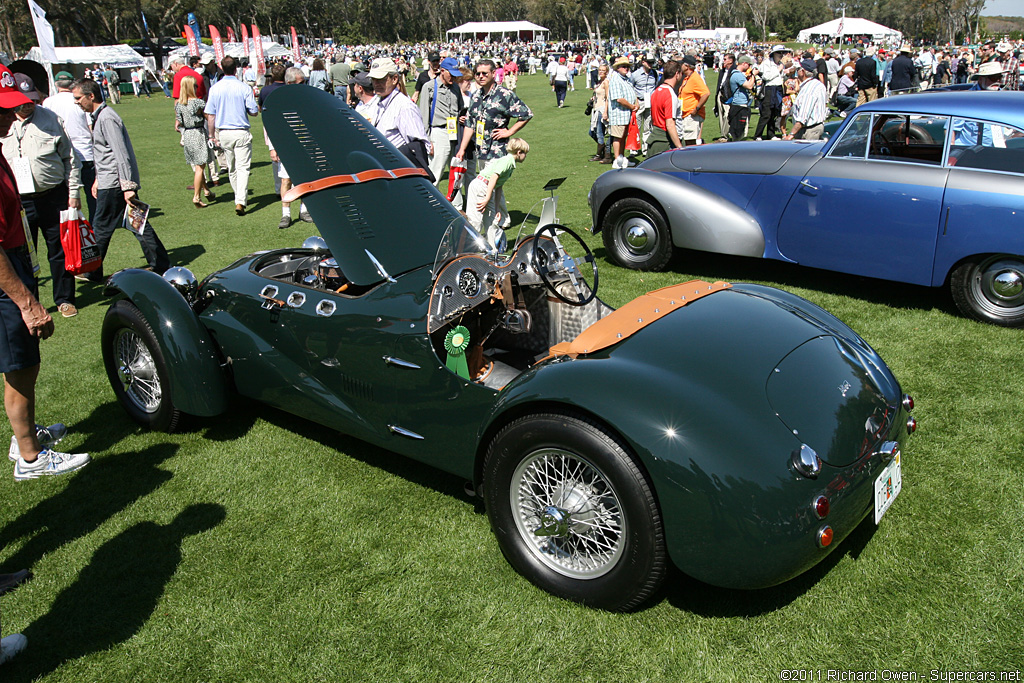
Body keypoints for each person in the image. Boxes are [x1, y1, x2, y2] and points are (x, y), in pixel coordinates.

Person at [0, 65, 90, 486]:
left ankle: (25, 439)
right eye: (2, 110)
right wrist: (26, 301)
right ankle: (31, 457)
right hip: (7, 272)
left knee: (24, 362)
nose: (8, 117)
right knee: (20, 363)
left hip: (18, 257)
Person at [70, 78, 171, 279]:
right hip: (111, 182)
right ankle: (161, 263)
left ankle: (93, 270)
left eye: (78, 98)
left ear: (91, 96)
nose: (77, 102)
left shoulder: (107, 118)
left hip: (115, 185)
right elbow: (105, 154)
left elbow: (121, 153)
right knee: (137, 224)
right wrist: (99, 178)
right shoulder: (101, 116)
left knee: (101, 228)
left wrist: (127, 186)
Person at [1, 73, 80, 318]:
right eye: (20, 102)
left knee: (59, 249)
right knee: (24, 252)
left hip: (53, 195)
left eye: (30, 99)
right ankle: (30, 301)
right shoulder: (4, 121)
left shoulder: (51, 119)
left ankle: (64, 299)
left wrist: (74, 191)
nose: (26, 105)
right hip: (19, 200)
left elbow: (70, 159)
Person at [454, 60, 533, 174]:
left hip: (497, 150)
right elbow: (469, 124)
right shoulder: (475, 96)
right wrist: (462, 149)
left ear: (493, 73)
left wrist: (509, 132)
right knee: (487, 186)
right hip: (480, 150)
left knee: (492, 186)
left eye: (485, 73)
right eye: (478, 74)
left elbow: (526, 114)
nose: (481, 76)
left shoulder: (504, 94)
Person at [205, 56, 258, 216]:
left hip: (224, 132)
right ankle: (240, 200)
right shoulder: (243, 88)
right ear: (236, 69)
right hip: (240, 130)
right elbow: (254, 111)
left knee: (232, 167)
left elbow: (211, 115)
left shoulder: (215, 88)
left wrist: (211, 135)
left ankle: (239, 197)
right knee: (242, 167)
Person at [42, 71, 96, 220]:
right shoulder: (78, 98)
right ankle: (95, 224)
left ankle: (70, 223)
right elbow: (91, 125)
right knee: (92, 194)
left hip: (62, 155)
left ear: (56, 84)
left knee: (66, 196)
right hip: (85, 152)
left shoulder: (48, 102)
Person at [265, 68, 312, 228]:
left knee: (305, 180)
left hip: (305, 146)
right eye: (301, 82)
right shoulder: (279, 101)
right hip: (287, 146)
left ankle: (304, 210)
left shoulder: (306, 99)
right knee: (286, 180)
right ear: (290, 83)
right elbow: (273, 126)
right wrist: (273, 147)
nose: (304, 85)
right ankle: (286, 214)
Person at [367, 58, 431, 176]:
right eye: (373, 79)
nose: (376, 83)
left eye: (380, 79)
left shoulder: (404, 107)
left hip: (399, 172)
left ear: (394, 79)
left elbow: (420, 147)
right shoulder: (378, 103)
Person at [466, 137, 529, 252]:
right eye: (525, 153)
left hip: (487, 188)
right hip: (481, 186)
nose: (526, 156)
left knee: (492, 220)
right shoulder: (507, 161)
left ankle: (492, 250)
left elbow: (499, 186)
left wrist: (497, 208)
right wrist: (487, 198)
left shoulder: (511, 164)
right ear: (519, 152)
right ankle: (467, 250)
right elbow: (494, 178)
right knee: (475, 221)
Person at [418, 57, 464, 192]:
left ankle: (457, 206)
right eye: (451, 74)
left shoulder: (455, 87)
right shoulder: (429, 87)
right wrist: (428, 140)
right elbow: (423, 116)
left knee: (456, 172)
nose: (453, 78)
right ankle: (431, 203)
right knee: (436, 172)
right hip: (438, 133)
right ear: (442, 71)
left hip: (455, 132)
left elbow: (460, 109)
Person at [174, 76, 214, 208]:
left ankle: (206, 189)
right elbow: (208, 116)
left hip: (188, 134)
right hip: (197, 133)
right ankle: (197, 196)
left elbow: (178, 123)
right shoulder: (198, 103)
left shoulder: (179, 104)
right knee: (200, 167)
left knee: (197, 165)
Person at [605, 56, 638, 166]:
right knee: (618, 137)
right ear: (617, 68)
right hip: (619, 114)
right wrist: (631, 106)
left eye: (627, 66)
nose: (626, 68)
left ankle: (622, 158)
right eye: (624, 66)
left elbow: (633, 93)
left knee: (623, 136)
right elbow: (618, 99)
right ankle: (617, 160)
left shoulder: (626, 79)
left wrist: (635, 104)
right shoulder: (615, 79)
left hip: (626, 114)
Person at [785, 59, 828, 141]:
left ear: (802, 72)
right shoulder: (818, 84)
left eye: (797, 70)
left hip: (809, 131)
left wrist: (791, 135)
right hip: (816, 127)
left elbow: (803, 117)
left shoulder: (808, 90)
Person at [647, 60, 683, 155]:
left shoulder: (656, 91)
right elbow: (670, 124)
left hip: (655, 138)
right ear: (677, 74)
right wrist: (680, 147)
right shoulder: (670, 94)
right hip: (665, 142)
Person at [676, 55, 710, 146]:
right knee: (688, 143)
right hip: (686, 114)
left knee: (690, 144)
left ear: (687, 66)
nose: (680, 66)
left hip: (691, 116)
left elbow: (706, 93)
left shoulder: (695, 78)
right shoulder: (687, 78)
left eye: (682, 64)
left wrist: (696, 109)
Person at [629, 57, 658, 154]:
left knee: (648, 126)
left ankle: (645, 148)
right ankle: (634, 148)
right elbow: (631, 87)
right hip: (639, 102)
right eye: (649, 62)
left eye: (652, 62)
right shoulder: (635, 75)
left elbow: (655, 86)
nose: (651, 65)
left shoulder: (654, 74)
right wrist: (635, 101)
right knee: (636, 126)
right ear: (643, 62)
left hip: (650, 102)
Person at [726, 56, 755, 142]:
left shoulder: (734, 74)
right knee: (739, 131)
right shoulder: (738, 75)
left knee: (737, 129)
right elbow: (749, 86)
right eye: (749, 65)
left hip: (737, 104)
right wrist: (753, 75)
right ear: (744, 63)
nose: (749, 67)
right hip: (740, 105)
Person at [589, 64, 610, 161]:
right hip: (596, 108)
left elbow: (607, 98)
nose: (601, 72)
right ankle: (604, 149)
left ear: (606, 72)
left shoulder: (606, 82)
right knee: (592, 132)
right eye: (600, 70)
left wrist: (605, 112)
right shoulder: (599, 82)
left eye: (603, 70)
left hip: (602, 109)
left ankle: (600, 154)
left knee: (599, 132)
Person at [714, 53, 735, 141]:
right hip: (720, 93)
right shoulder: (722, 71)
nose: (724, 61)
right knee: (721, 114)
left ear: (731, 60)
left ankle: (726, 134)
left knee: (727, 114)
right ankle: (723, 134)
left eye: (725, 59)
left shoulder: (734, 70)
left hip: (729, 95)